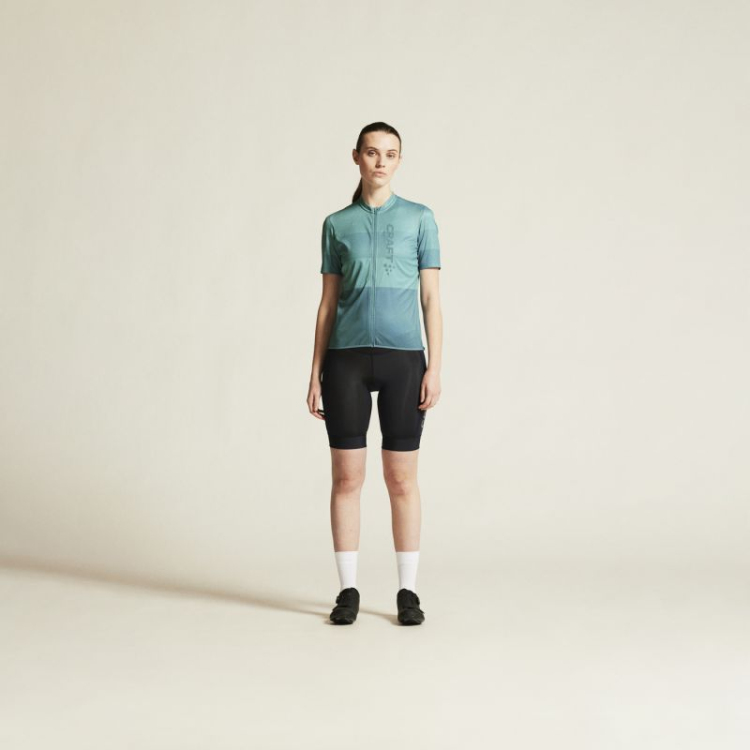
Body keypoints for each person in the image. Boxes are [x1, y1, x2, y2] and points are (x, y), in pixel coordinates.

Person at [307, 121, 443, 626]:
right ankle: (348, 591)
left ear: (399, 160)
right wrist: (315, 372)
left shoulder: (421, 219)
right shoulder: (336, 224)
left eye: (390, 153)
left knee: (402, 479)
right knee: (347, 477)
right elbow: (327, 305)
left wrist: (435, 367)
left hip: (404, 361)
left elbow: (431, 299)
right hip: (345, 361)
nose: (380, 161)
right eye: (372, 152)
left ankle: (408, 592)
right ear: (357, 157)